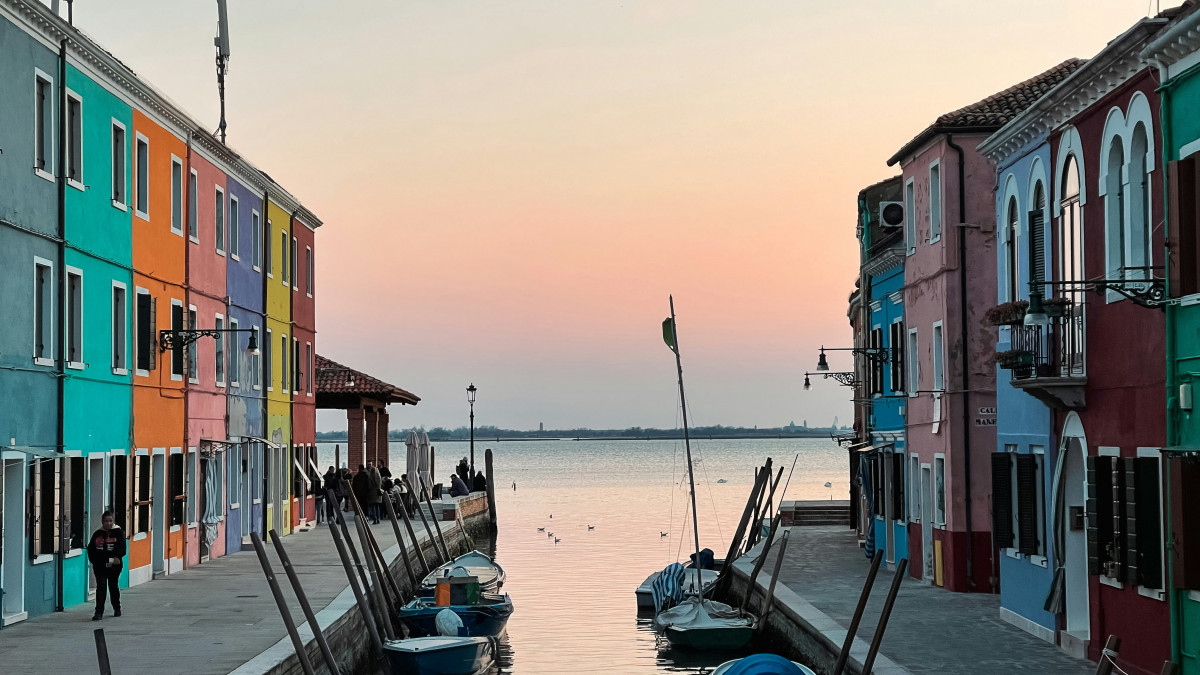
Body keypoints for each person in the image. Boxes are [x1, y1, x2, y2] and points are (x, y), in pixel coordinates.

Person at [87, 510, 126, 620]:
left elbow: (122, 549)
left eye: (110, 521)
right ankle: (98, 612)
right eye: (106, 521)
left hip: (114, 567)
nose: (108, 523)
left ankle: (117, 608)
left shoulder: (119, 533)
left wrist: (113, 559)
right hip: (100, 567)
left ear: (113, 521)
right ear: (102, 521)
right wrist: (96, 561)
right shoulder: (97, 534)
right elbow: (91, 550)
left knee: (113, 586)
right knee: (101, 587)